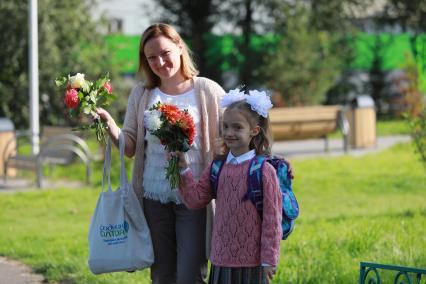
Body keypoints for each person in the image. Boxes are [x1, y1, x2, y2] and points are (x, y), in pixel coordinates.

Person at [96, 23, 225, 284]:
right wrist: (109, 123)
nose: (160, 61)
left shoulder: (206, 90)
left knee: (190, 274)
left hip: (195, 198)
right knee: (162, 275)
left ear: (179, 47)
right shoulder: (142, 94)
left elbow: (230, 136)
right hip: (153, 197)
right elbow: (130, 147)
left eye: (165, 53)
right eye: (151, 57)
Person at [177, 89, 283, 284]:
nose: (229, 133)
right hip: (221, 259)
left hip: (253, 262)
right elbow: (195, 200)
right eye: (225, 127)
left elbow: (272, 220)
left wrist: (269, 258)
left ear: (254, 131)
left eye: (237, 127)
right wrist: (183, 171)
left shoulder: (264, 171)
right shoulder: (217, 166)